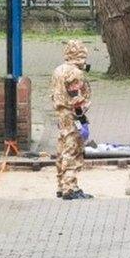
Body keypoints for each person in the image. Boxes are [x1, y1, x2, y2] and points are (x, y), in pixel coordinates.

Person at [51, 40, 93, 200]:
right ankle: (70, 188)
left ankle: (61, 185)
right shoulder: (74, 73)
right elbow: (76, 98)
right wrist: (82, 121)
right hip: (71, 114)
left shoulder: (59, 70)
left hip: (61, 114)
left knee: (62, 149)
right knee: (72, 149)